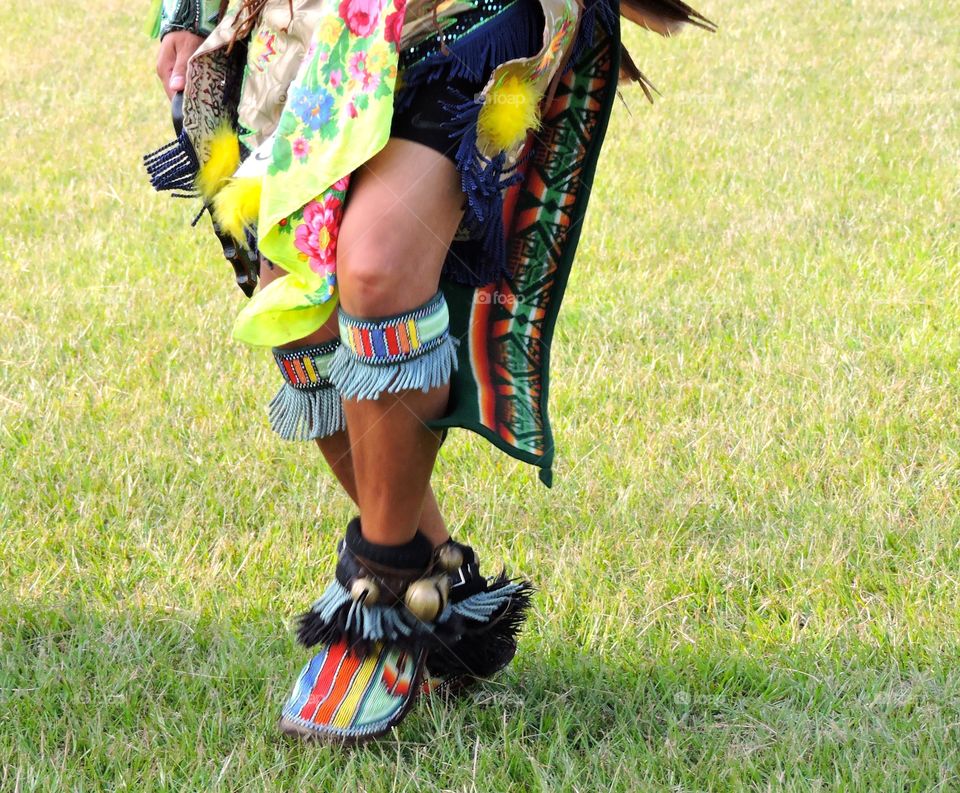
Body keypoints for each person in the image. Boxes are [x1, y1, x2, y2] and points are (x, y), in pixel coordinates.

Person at [147, 0, 713, 744]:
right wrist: (184, 13)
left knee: (378, 268)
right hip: (310, 24)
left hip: (458, 14)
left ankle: (381, 594)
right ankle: (442, 595)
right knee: (299, 301)